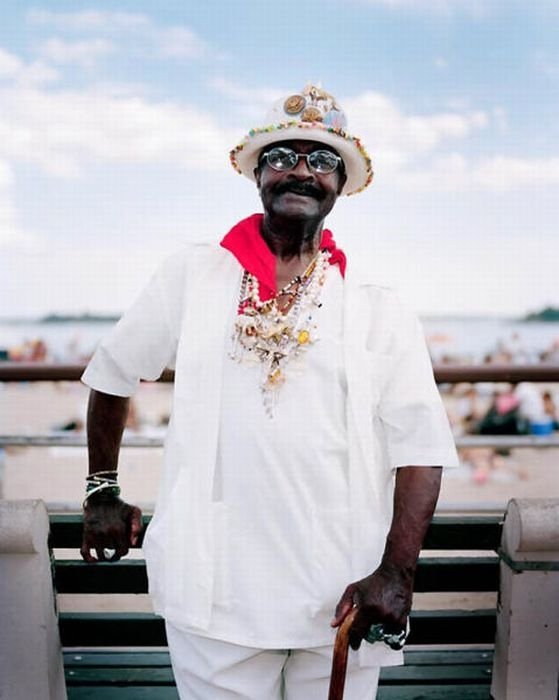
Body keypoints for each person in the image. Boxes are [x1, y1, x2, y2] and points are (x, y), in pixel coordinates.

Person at [80, 84, 458, 699]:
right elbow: (113, 371)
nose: (303, 171)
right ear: (258, 172)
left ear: (341, 185)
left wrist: (395, 573)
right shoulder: (193, 274)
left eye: (323, 161)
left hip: (342, 595)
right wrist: (102, 488)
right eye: (283, 157)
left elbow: (420, 447)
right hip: (212, 591)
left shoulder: (377, 306)